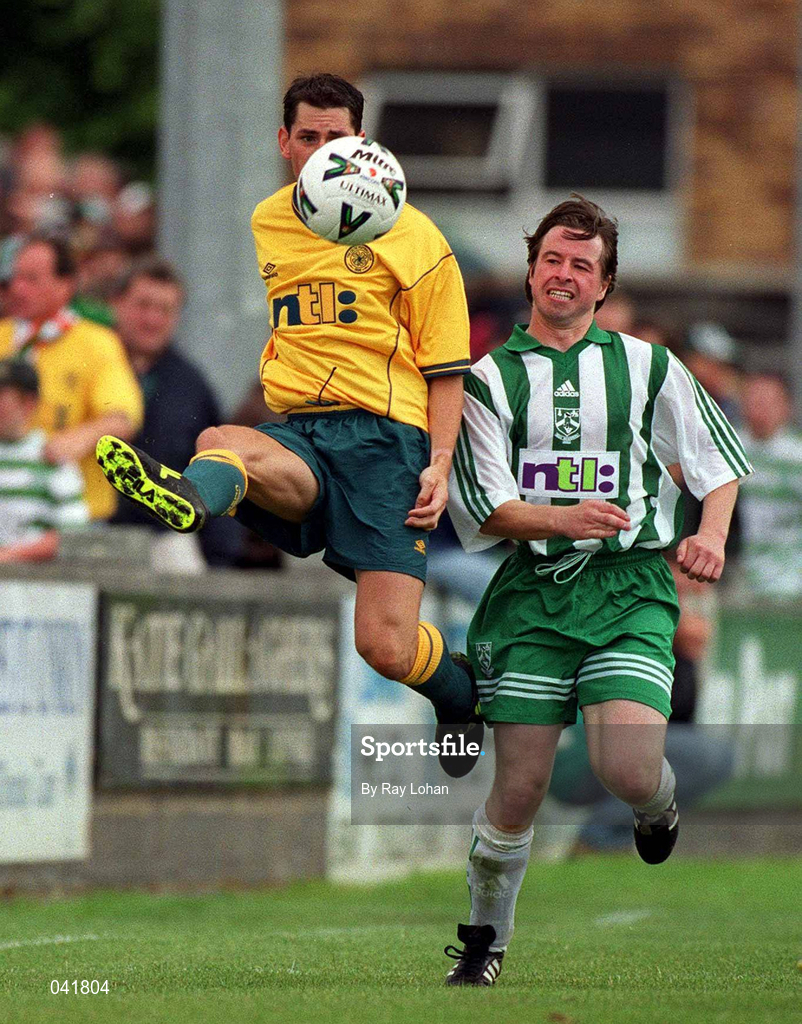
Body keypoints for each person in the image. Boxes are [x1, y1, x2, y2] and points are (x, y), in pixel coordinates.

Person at [95, 73, 480, 774]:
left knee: (386, 647)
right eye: (309, 137)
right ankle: (188, 500)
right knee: (219, 444)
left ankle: (458, 690)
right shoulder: (270, 219)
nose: (322, 150)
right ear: (285, 143)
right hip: (302, 432)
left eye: (338, 138)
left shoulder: (417, 233)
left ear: (363, 146)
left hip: (387, 446)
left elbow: (447, 366)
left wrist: (441, 461)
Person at [442, 195, 751, 986]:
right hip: (533, 593)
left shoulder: (647, 365)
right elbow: (486, 506)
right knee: (519, 788)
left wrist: (709, 537)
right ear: (532, 269)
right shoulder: (485, 381)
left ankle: (656, 804)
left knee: (627, 766)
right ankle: (482, 946)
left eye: (583, 265)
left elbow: (717, 466)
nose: (565, 275)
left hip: (630, 586)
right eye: (553, 259)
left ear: (604, 285)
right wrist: (561, 517)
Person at [109, 255, 243, 570]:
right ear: (116, 303)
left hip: (166, 535)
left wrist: (222, 553)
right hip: (90, 528)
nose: (153, 319)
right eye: (143, 305)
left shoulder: (192, 385)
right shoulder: (89, 361)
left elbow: (217, 465)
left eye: (165, 310)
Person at [0, 233, 143, 519]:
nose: (17, 288)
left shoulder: (96, 342)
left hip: (73, 514)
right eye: (15, 278)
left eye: (31, 279)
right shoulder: (3, 337)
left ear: (65, 285)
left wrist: (77, 439)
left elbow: (124, 417)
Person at [0, 358, 88, 562]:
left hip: (36, 585)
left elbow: (72, 532)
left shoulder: (52, 458)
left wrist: (10, 556)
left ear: (28, 403)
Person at [737, 373, 802, 598]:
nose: (759, 409)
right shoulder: (728, 449)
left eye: (767, 402)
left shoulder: (797, 456)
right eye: (753, 400)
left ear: (786, 407)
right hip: (737, 575)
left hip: (792, 578)